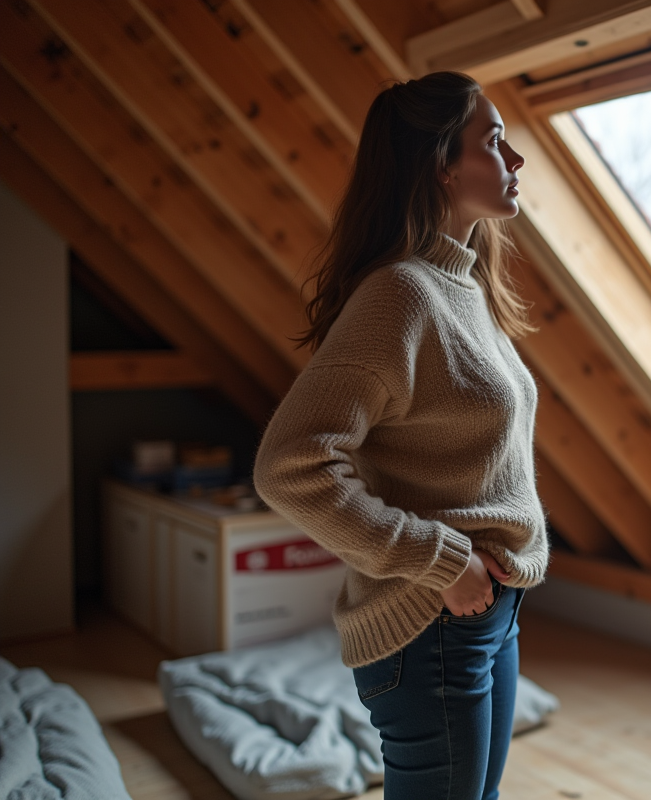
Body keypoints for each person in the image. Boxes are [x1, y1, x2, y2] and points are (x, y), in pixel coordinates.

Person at [253, 71, 548, 800]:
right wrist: (443, 562)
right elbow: (291, 465)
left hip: (487, 614)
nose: (516, 163)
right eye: (495, 142)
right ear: (442, 163)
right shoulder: (400, 294)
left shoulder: (466, 287)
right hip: (433, 621)